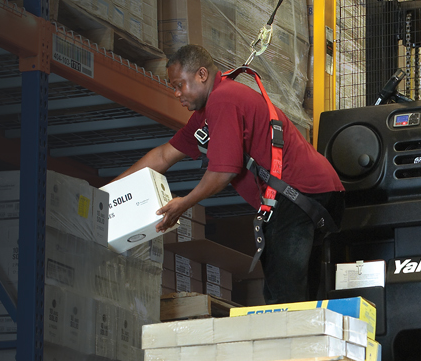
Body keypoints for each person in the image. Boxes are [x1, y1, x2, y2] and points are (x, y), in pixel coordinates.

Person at [112, 44, 344, 305]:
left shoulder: (223, 100)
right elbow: (164, 155)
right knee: (303, 293)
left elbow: (223, 171)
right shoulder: (205, 116)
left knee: (284, 295)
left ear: (201, 74)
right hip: (311, 193)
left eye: (180, 85)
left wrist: (183, 204)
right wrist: (109, 192)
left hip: (299, 194)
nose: (176, 93)